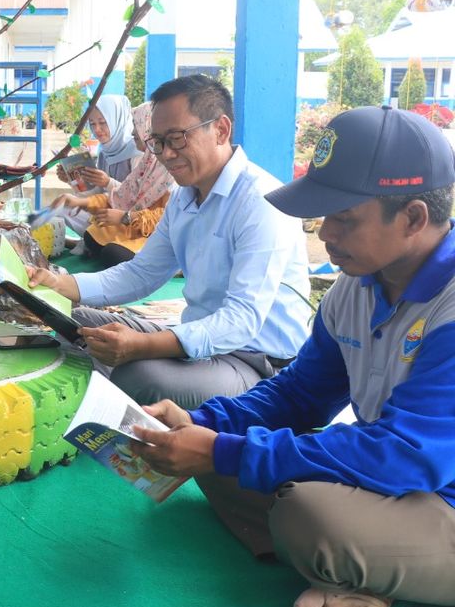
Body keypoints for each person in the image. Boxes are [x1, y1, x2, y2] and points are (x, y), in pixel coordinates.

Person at [133, 106, 455, 607]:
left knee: (310, 517)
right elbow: (300, 393)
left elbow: (408, 457)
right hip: (402, 482)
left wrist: (222, 450)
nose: (325, 234)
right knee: (220, 456)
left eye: (344, 218)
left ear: (415, 218)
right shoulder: (356, 287)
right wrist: (208, 425)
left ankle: (371, 571)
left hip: (434, 490)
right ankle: (367, 568)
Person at [27, 75, 311, 408]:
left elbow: (241, 321)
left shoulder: (260, 201)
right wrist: (61, 285)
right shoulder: (184, 196)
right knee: (72, 322)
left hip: (254, 361)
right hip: (199, 340)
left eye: (177, 139)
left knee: (140, 377)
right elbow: (142, 273)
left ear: (221, 129)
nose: (166, 154)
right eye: (158, 142)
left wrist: (140, 346)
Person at [48, 102, 174, 267]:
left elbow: (164, 217)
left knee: (112, 252)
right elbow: (121, 195)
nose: (132, 132)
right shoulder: (142, 161)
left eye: (103, 122)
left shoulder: (161, 164)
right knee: (90, 233)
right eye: (92, 124)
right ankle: (91, 244)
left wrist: (122, 213)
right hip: (122, 217)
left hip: (149, 230)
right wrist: (75, 187)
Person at [53, 95, 141, 238]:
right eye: (92, 124)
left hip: (128, 220)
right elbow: (96, 195)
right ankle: (94, 240)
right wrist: (73, 179)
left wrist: (108, 182)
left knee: (102, 235)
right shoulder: (105, 152)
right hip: (104, 214)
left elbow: (139, 197)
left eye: (102, 122)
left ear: (116, 120)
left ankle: (96, 241)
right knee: (61, 208)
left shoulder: (137, 151)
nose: (97, 129)